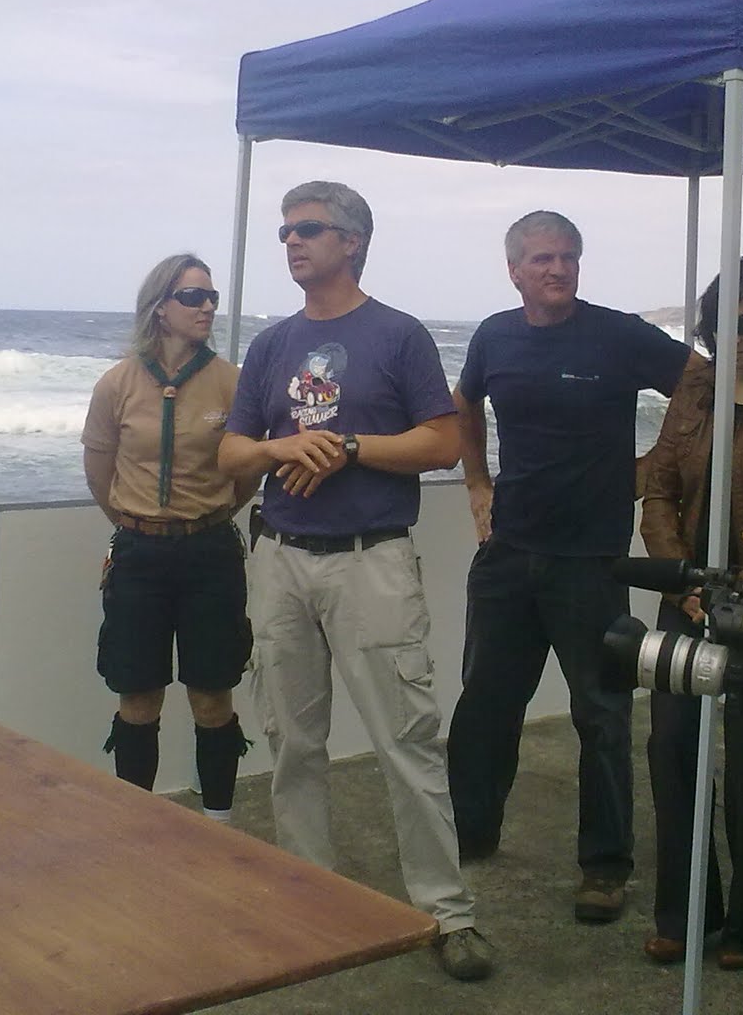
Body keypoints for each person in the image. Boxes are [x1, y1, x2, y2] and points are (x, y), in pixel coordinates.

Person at [217, 180, 493, 982]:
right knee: (292, 743)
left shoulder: (398, 335)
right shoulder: (272, 345)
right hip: (280, 559)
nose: (292, 243)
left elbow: (442, 443)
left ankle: (448, 913)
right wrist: (279, 449)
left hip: (372, 561)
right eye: (285, 232)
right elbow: (232, 452)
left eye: (307, 229)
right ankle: (309, 901)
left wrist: (347, 447)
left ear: (353, 241)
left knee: (406, 742)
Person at [445, 210, 693, 924]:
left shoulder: (617, 334)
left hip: (592, 562)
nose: (558, 269)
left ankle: (605, 867)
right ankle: (472, 831)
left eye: (568, 257)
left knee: (602, 714)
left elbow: (704, 387)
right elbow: (464, 403)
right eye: (543, 258)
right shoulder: (494, 335)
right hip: (508, 554)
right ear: (514, 270)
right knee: (486, 702)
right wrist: (477, 483)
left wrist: (655, 467)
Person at [636, 254, 743, 970]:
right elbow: (659, 487)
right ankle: (684, 913)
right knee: (673, 747)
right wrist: (681, 581)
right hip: (689, 593)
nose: (738, 339)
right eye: (725, 326)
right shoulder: (696, 386)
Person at [83, 253, 255, 820]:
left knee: (212, 696)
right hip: (139, 556)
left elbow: (247, 473)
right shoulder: (118, 383)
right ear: (160, 308)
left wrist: (202, 518)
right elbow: (100, 471)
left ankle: (218, 823)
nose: (207, 307)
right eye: (192, 297)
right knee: (138, 696)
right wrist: (137, 525)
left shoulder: (231, 382)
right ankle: (139, 827)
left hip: (211, 553)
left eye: (211, 297)